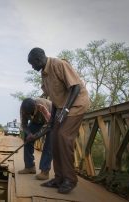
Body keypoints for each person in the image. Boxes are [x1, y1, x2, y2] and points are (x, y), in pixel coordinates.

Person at [27, 47, 90, 194]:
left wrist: (66, 110)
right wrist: (52, 120)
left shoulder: (59, 64)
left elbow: (75, 87)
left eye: (32, 64)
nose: (32, 67)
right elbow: (55, 99)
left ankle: (70, 179)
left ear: (38, 59)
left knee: (63, 136)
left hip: (77, 103)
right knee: (54, 137)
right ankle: (59, 178)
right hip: (61, 107)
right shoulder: (44, 74)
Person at [18, 97, 53, 181]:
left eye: (31, 113)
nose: (30, 116)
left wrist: (36, 136)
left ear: (36, 107)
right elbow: (24, 125)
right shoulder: (23, 110)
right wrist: (29, 134)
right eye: (28, 115)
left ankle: (45, 171)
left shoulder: (42, 106)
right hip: (37, 122)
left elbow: (48, 126)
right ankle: (29, 167)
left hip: (51, 121)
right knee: (27, 139)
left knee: (49, 144)